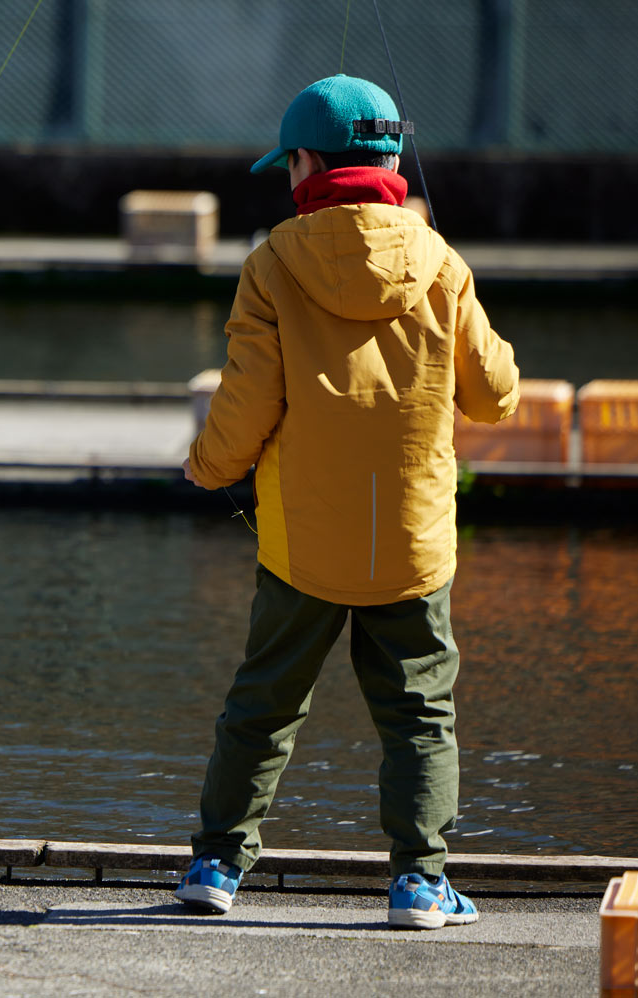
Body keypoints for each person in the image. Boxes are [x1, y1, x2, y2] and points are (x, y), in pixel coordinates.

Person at [176, 75, 519, 930]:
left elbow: (246, 401)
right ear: (392, 160)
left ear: (303, 163)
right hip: (410, 544)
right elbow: (495, 394)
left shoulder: (270, 264)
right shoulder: (441, 263)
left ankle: (216, 865)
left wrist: (206, 467)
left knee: (262, 704)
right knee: (418, 716)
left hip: (302, 544)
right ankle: (418, 883)